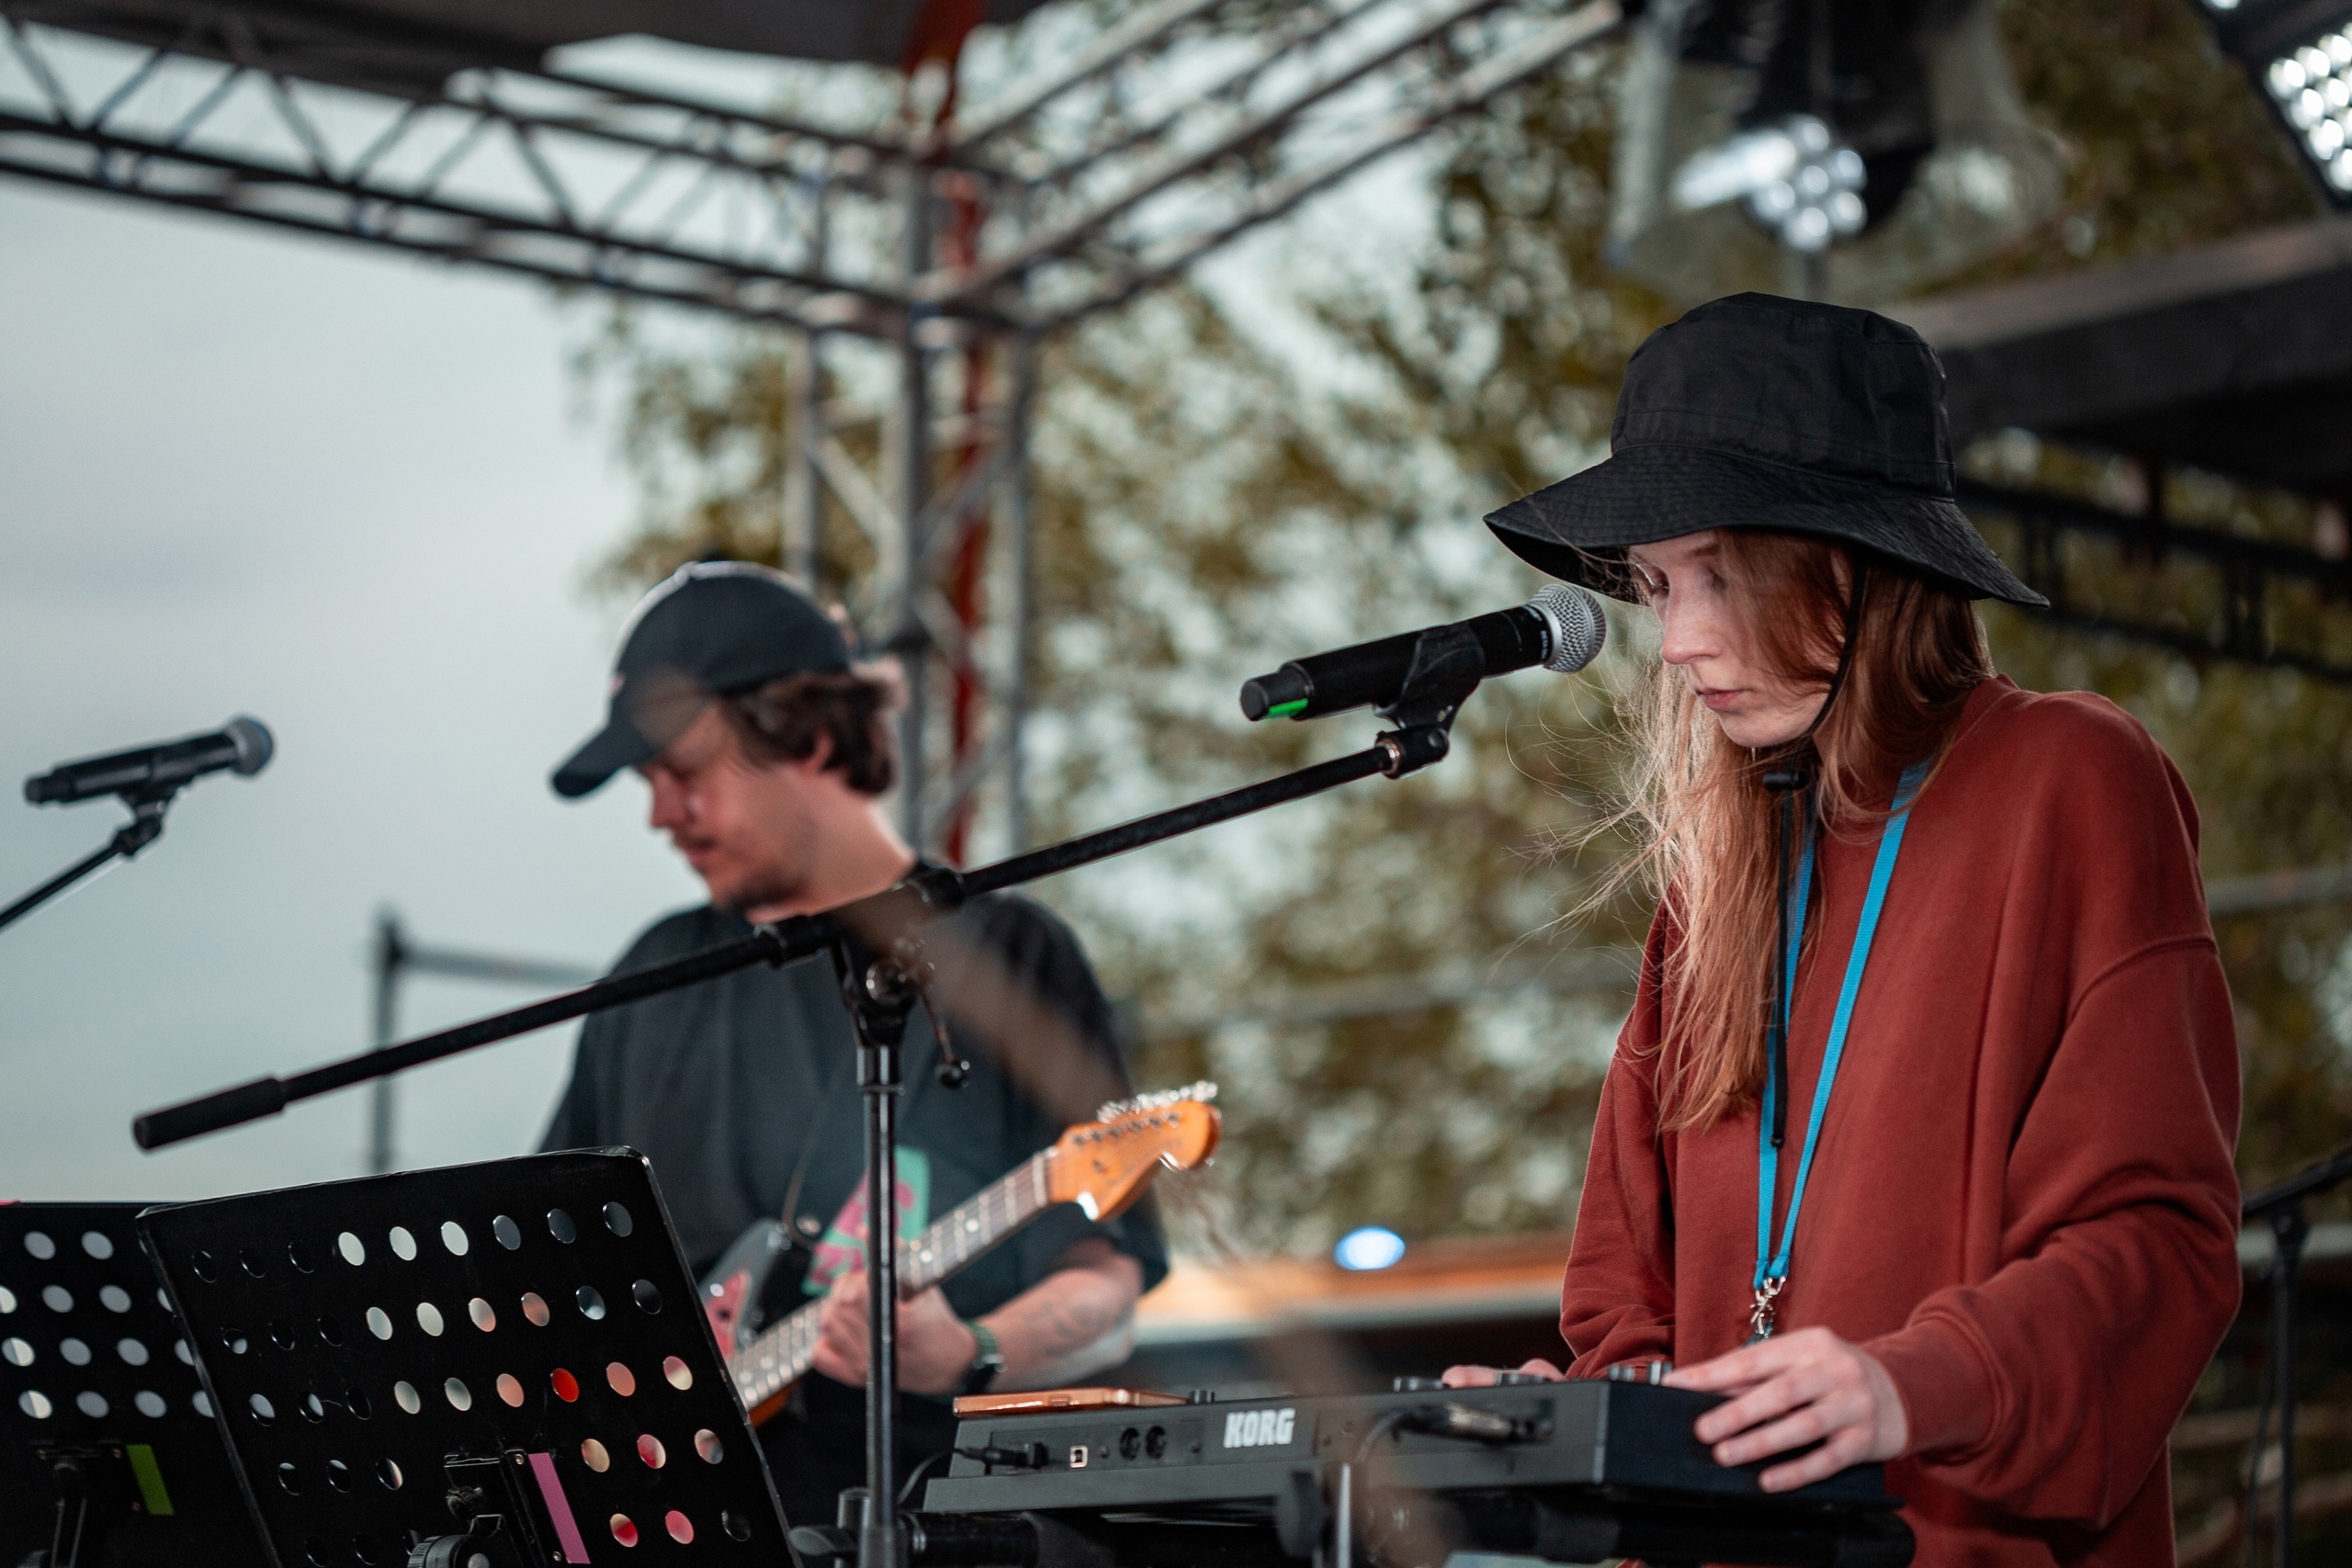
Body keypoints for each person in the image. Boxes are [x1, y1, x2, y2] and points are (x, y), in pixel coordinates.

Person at [1446, 295, 2242, 1565]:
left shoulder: (2072, 775)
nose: (1682, 640)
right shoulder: (1715, 879)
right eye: (1656, 586)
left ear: (1855, 556)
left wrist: (1912, 1384)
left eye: (1716, 570)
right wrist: (1572, 1420)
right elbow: (1621, 1297)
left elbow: (2160, 1240)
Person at [537, 561, 1168, 1527]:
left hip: (925, 1527)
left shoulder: (1007, 961)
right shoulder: (651, 977)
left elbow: (1106, 1284)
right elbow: (539, 1277)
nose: (661, 815)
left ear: (813, 735)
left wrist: (971, 1352)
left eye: (685, 773)